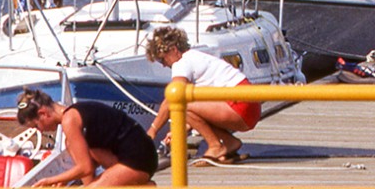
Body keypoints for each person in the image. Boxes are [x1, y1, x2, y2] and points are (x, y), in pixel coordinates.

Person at [143, 26, 259, 165]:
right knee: (186, 103)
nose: (163, 65)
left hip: (239, 106)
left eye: (162, 60)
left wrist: (152, 131)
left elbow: (172, 99)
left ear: (174, 50)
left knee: (179, 103)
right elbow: (198, 114)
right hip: (250, 107)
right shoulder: (196, 57)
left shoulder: (181, 63)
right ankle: (229, 143)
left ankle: (216, 146)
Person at [15, 88, 157, 187]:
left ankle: (140, 183)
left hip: (139, 159)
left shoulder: (70, 120)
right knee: (70, 144)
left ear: (43, 113)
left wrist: (51, 180)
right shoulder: (76, 112)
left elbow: (85, 168)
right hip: (137, 153)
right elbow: (88, 164)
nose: (40, 130)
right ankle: (138, 184)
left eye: (36, 126)